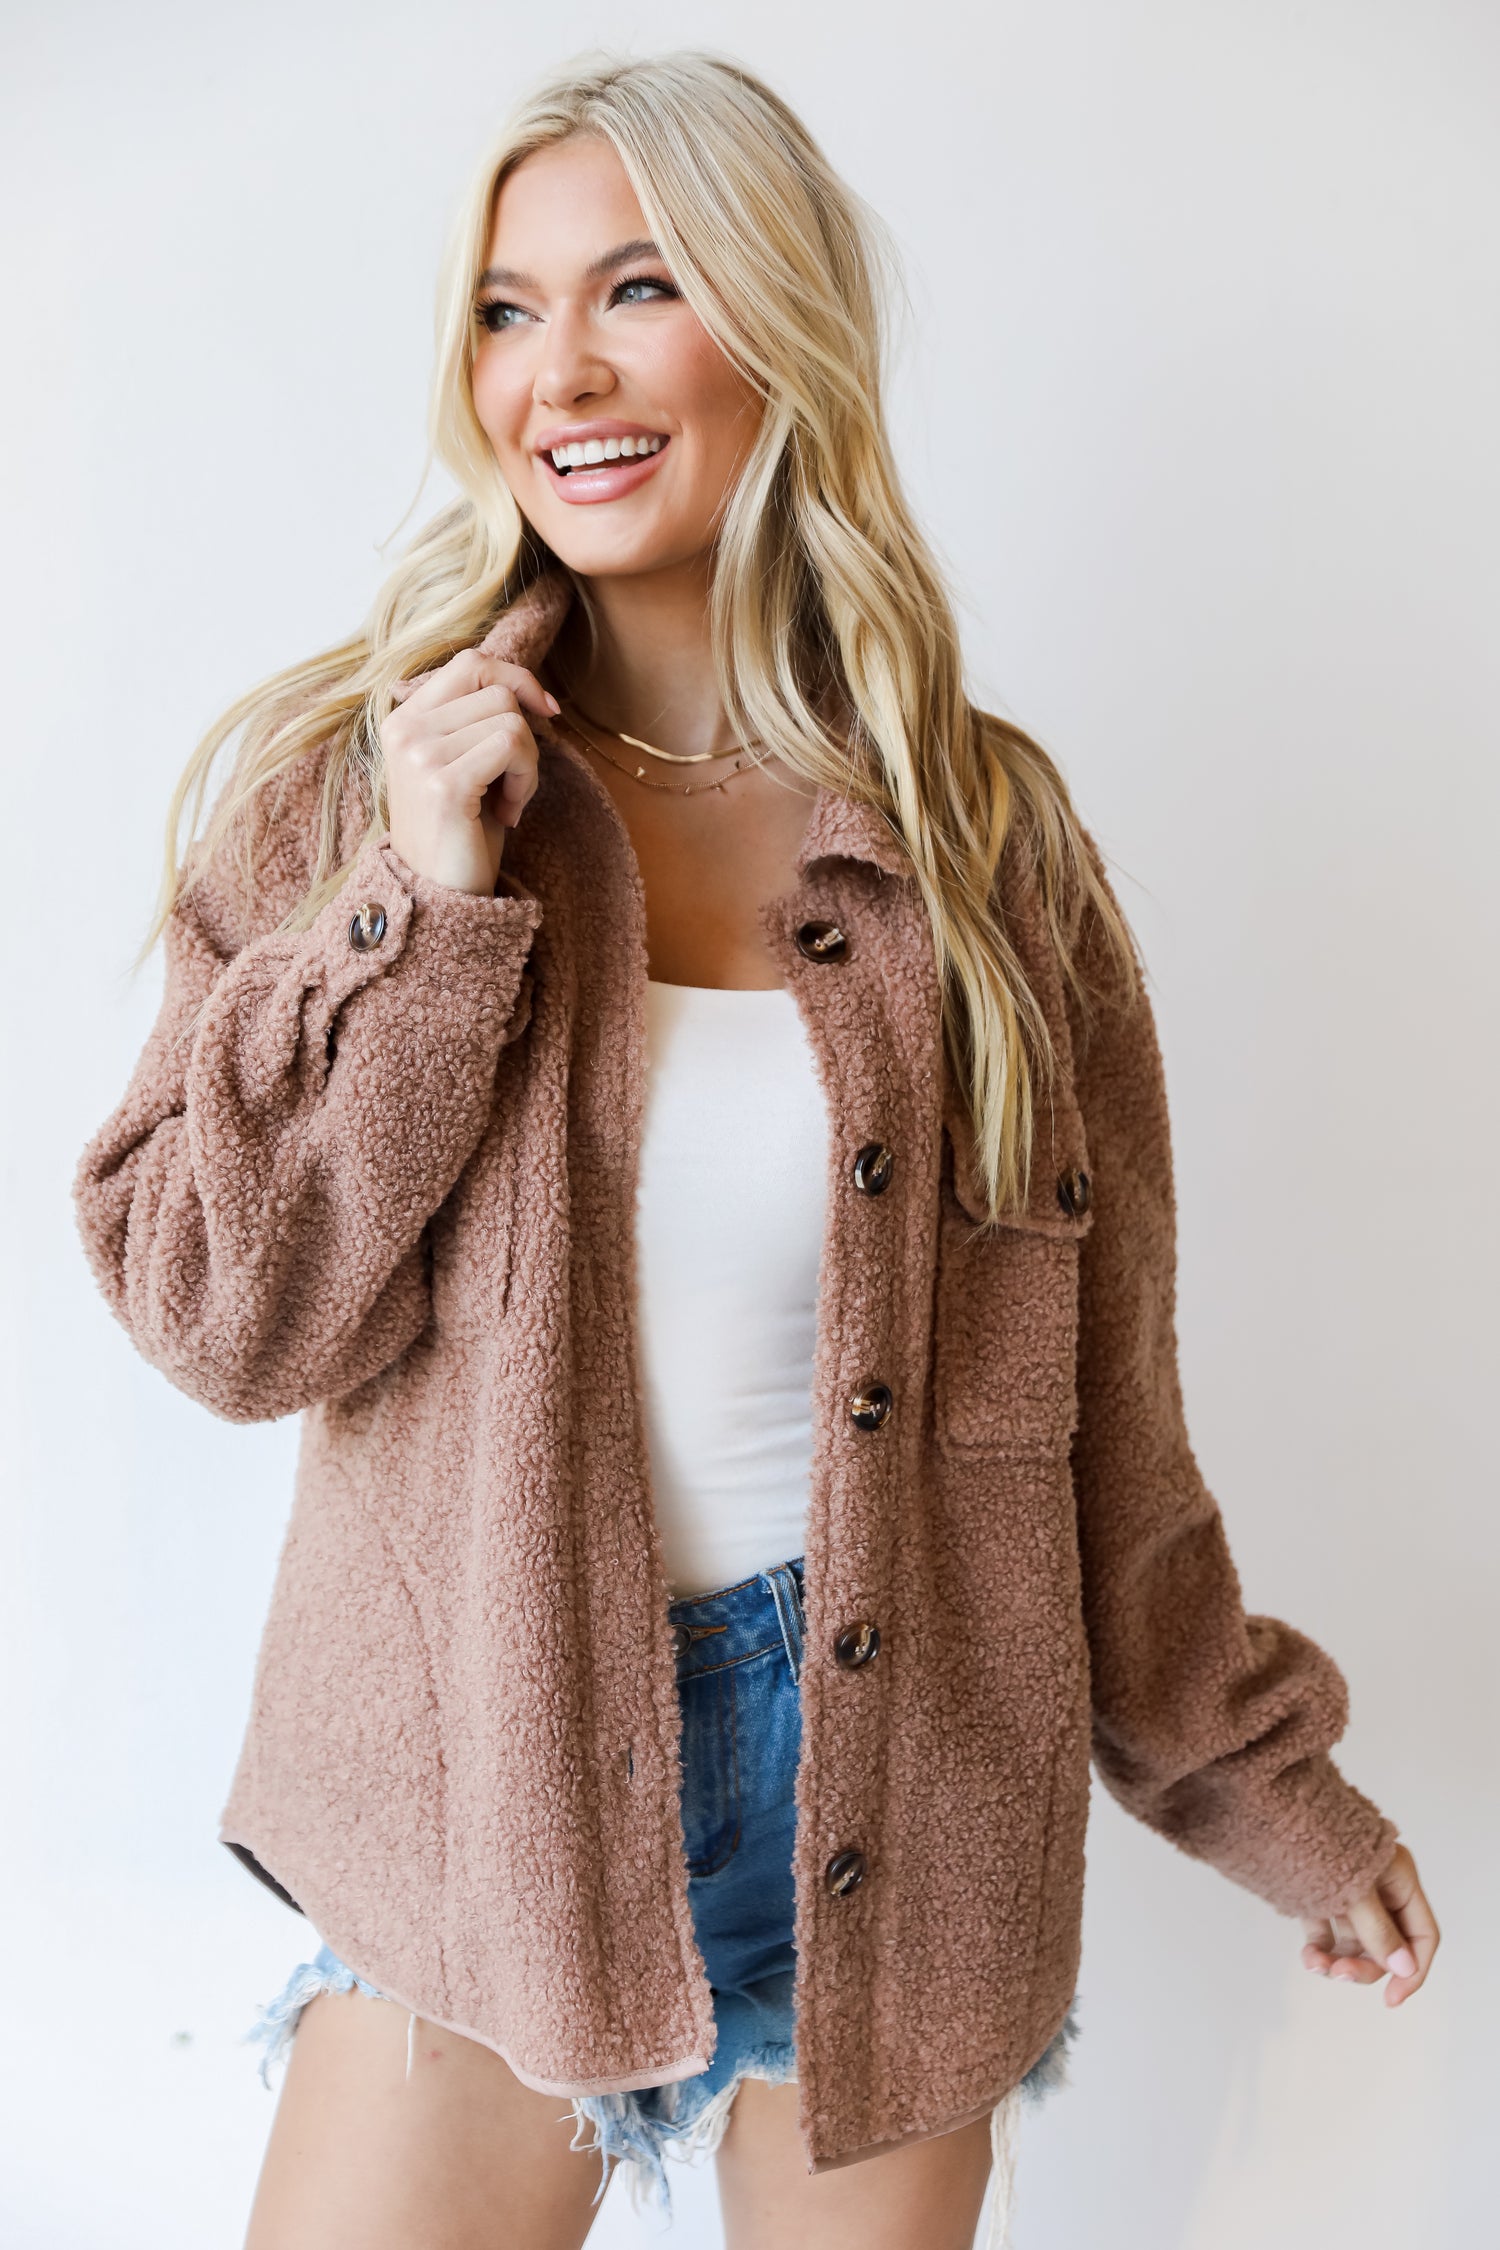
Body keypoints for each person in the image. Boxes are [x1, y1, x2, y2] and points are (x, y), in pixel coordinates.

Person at [71, 47, 1438, 2250]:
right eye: (506, 311)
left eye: (639, 287)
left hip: (900, 1798)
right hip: (480, 1799)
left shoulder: (985, 849)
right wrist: (419, 906)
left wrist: (1267, 1787)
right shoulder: (355, 792)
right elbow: (220, 1314)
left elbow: (1103, 1417)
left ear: (776, 324)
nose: (561, 373)